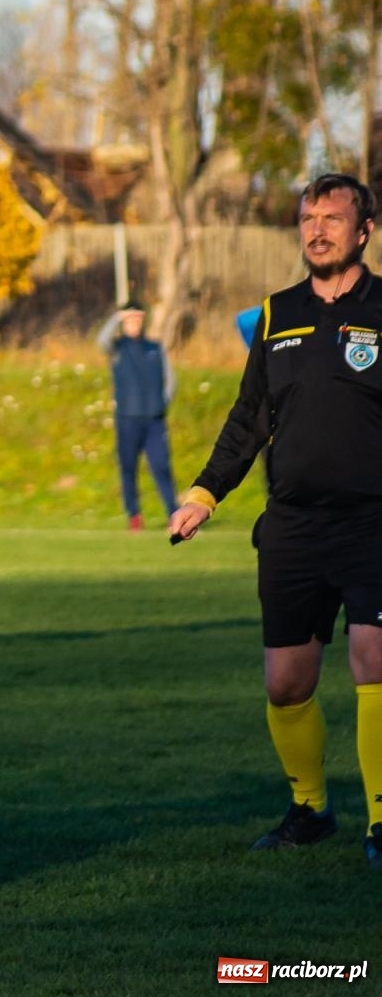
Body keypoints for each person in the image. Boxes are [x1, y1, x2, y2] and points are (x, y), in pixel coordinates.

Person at [170, 172, 382, 869]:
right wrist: (204, 493)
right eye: (307, 218)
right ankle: (310, 809)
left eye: (332, 218)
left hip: (373, 524)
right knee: (286, 684)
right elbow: (248, 420)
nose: (317, 229)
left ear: (364, 231)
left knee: (373, 662)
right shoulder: (274, 314)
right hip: (292, 527)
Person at [96, 303, 179, 530]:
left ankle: (174, 512)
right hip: (127, 419)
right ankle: (134, 515)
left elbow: (170, 380)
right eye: (130, 320)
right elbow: (100, 340)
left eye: (137, 319)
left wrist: (162, 403)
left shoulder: (154, 347)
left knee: (161, 466)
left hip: (154, 419)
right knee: (128, 468)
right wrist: (116, 317)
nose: (134, 324)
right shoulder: (117, 348)